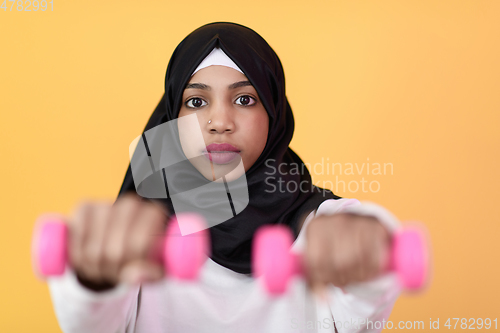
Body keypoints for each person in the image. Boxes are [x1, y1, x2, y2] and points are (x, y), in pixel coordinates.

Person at [47, 22, 402, 333]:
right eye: (197, 102)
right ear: (173, 117)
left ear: (274, 112)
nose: (220, 122)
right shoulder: (135, 233)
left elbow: (366, 295)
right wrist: (91, 277)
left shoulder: (325, 227)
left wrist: (366, 248)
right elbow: (90, 324)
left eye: (245, 99)